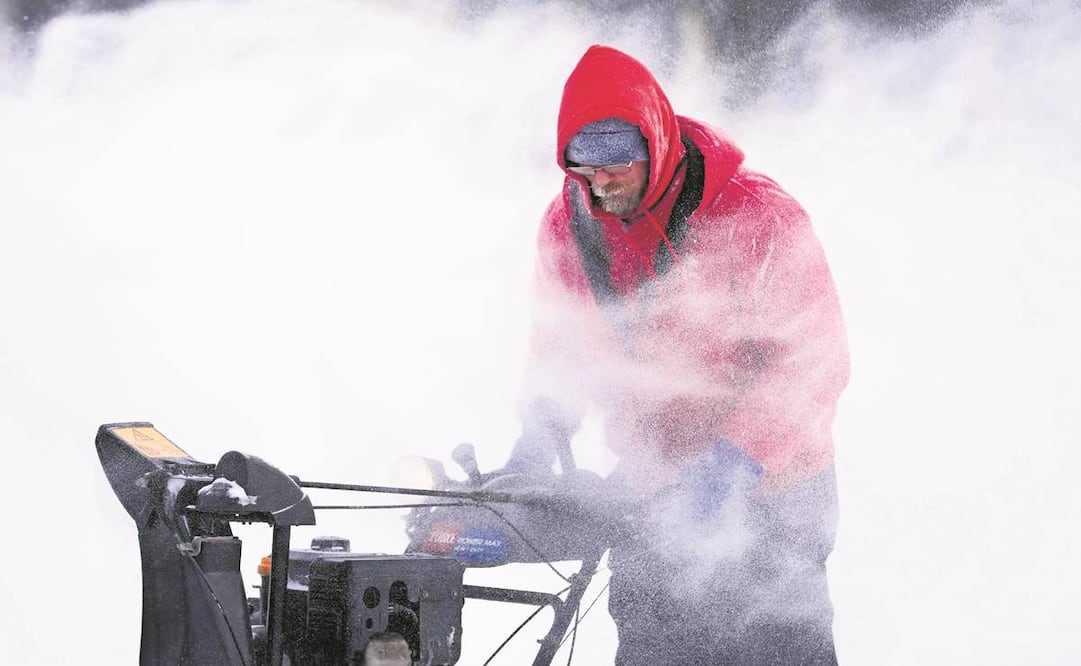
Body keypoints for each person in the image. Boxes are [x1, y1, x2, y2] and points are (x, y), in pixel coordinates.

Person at [507, 45, 850, 664]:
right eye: (584, 164)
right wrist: (541, 426)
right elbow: (559, 343)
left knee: (775, 647)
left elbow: (812, 361)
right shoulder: (567, 224)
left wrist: (734, 463)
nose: (601, 180)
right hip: (650, 489)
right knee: (655, 646)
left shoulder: (755, 215)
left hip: (776, 491)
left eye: (618, 160)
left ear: (655, 142)